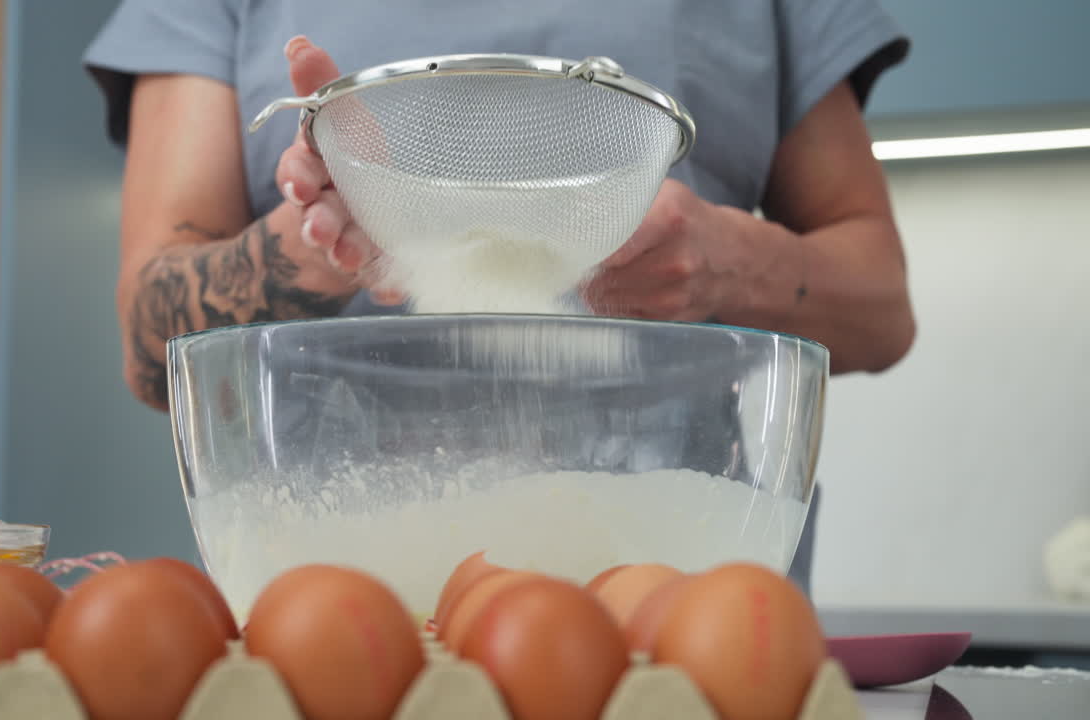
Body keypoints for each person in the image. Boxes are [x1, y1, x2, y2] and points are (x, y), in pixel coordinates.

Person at [83, 0, 916, 595]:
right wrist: (323, 241)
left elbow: (882, 308)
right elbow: (149, 351)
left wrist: (728, 262)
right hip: (341, 602)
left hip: (685, 596)